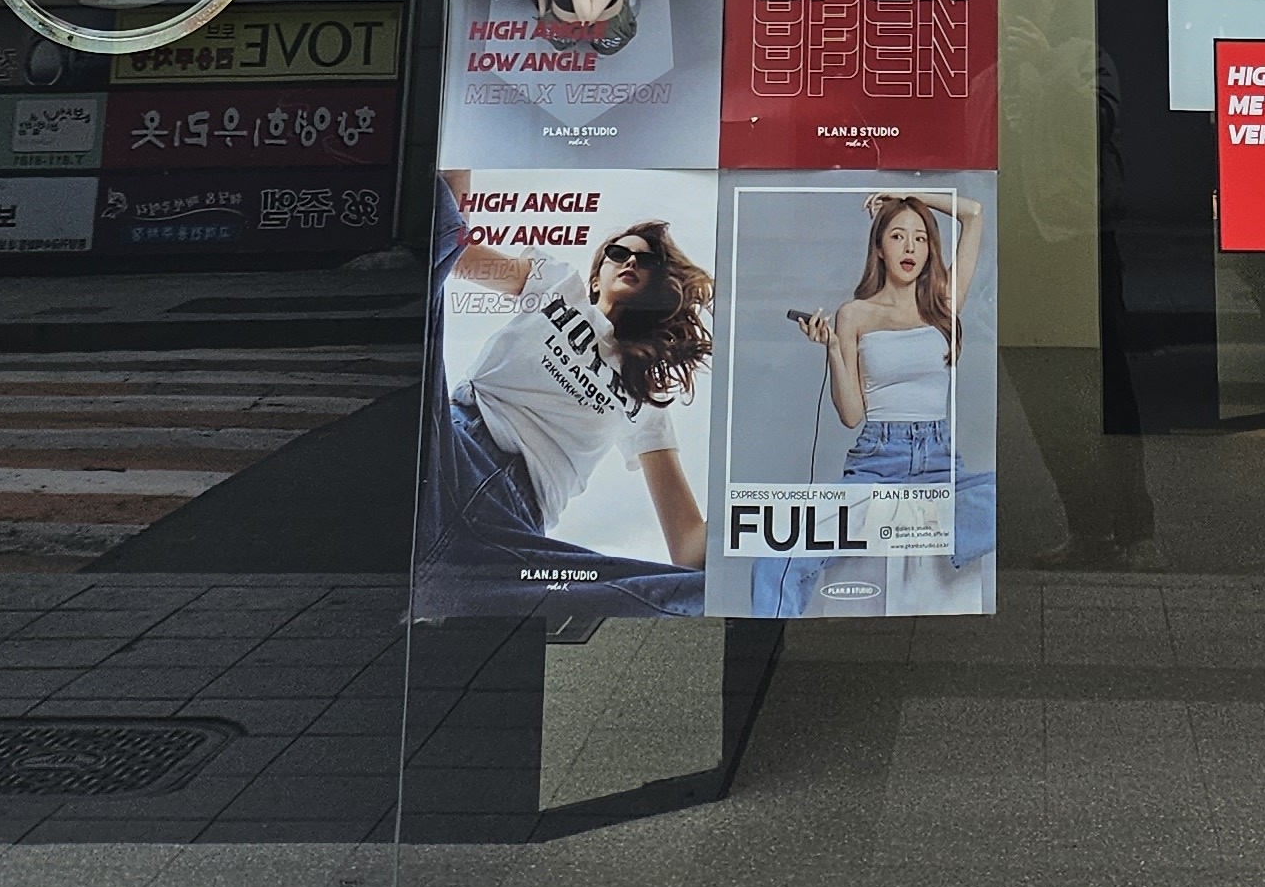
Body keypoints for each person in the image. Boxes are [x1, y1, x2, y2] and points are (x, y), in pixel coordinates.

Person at [420, 184, 713, 614]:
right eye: (618, 253)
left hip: (510, 524)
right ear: (596, 276)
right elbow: (451, 250)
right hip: (449, 445)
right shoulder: (557, 284)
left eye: (648, 260)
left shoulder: (647, 397)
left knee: (699, 594)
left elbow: (687, 547)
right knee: (431, 228)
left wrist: (752, 513)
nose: (632, 261)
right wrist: (448, 150)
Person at [760, 190, 996, 619]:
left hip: (940, 463)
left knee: (1010, 500)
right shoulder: (855, 314)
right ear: (880, 248)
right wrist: (833, 349)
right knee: (780, 555)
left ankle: (932, 518)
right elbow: (851, 415)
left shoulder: (943, 303)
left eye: (921, 238)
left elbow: (974, 214)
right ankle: (770, 644)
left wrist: (908, 197)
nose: (910, 248)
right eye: (898, 236)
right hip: (877, 462)